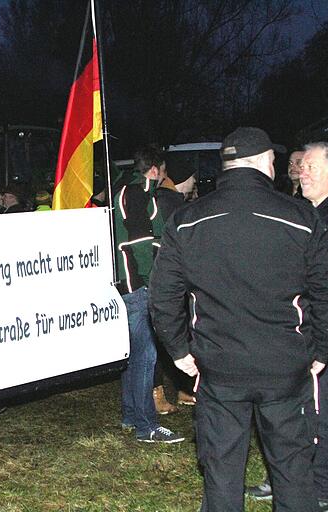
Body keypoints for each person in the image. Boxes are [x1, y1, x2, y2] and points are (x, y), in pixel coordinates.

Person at [149, 127, 328, 512]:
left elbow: (163, 294)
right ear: (262, 162)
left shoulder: (189, 218)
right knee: (293, 471)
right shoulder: (301, 217)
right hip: (284, 365)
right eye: (274, 161)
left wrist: (178, 350)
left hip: (220, 365)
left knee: (221, 473)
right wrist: (321, 349)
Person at [246, 142, 328, 512]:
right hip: (294, 334)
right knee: (289, 414)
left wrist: (300, 295)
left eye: (311, 167)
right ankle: (286, 477)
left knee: (324, 416)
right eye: (301, 166)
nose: (302, 172)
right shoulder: (302, 212)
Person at [113, 145, 185, 443]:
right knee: (145, 356)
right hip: (138, 286)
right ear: (154, 169)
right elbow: (140, 242)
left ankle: (132, 415)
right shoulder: (138, 191)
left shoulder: (127, 190)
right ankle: (147, 425)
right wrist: (152, 281)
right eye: (163, 171)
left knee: (135, 356)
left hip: (131, 286)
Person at [152, 162, 198, 413]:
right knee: (167, 338)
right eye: (192, 179)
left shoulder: (158, 198)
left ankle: (184, 389)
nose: (194, 185)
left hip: (165, 278)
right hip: (172, 279)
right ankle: (162, 392)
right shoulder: (175, 205)